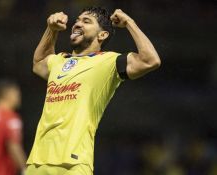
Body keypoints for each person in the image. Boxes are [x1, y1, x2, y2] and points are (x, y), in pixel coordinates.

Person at [26, 7, 161, 175]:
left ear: (102, 35)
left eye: (86, 21)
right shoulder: (59, 60)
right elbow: (38, 62)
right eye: (77, 21)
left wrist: (129, 23)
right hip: (36, 161)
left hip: (72, 164)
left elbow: (150, 60)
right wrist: (51, 30)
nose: (77, 24)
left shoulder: (108, 62)